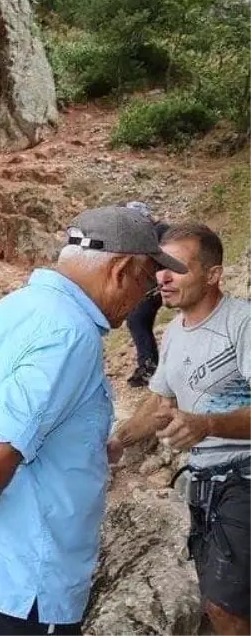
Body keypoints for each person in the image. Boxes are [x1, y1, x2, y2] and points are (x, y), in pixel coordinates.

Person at [0, 205, 186, 635]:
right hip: (29, 585)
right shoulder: (69, 334)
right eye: (147, 283)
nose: (143, 302)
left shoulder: (6, 312)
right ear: (121, 270)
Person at [108, 223, 251, 635]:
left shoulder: (241, 323)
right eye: (160, 267)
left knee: (226, 607)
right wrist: (119, 441)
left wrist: (208, 423)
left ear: (213, 274)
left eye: (177, 268)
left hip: (244, 477)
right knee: (215, 600)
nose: (163, 277)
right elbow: (160, 402)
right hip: (204, 484)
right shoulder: (172, 333)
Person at [123, 202, 170, 387]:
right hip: (157, 285)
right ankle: (149, 365)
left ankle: (149, 367)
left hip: (163, 284)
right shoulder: (155, 232)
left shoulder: (160, 232)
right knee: (137, 320)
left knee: (137, 320)